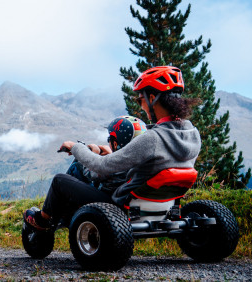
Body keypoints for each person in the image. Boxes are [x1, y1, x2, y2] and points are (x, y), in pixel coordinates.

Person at [24, 66, 202, 231]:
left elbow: (102, 167)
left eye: (141, 99)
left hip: (121, 206)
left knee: (59, 181)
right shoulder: (192, 134)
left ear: (153, 98)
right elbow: (147, 166)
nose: (141, 105)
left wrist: (77, 147)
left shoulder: (153, 139)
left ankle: (42, 221)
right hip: (164, 204)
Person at [65, 115, 147, 195]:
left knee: (74, 169)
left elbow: (90, 173)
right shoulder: (140, 160)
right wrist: (111, 155)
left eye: (109, 139)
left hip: (106, 198)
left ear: (115, 144)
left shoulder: (116, 165)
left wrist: (93, 153)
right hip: (123, 195)